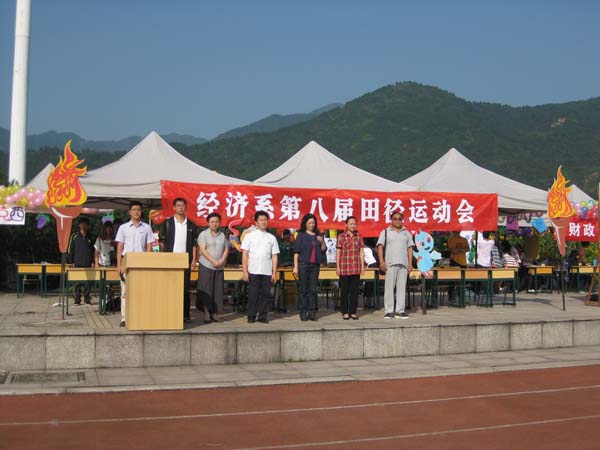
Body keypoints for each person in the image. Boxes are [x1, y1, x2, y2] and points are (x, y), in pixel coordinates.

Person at [159, 197, 198, 323]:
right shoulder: (167, 223)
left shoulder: (191, 224)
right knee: (169, 287)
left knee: (185, 288)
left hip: (185, 260)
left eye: (182, 205)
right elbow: (162, 242)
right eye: (178, 205)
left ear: (185, 207)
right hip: (170, 259)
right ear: (174, 207)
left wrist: (193, 260)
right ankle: (169, 312)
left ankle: (185, 315)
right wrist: (163, 257)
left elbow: (194, 244)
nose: (181, 207)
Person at [115, 201, 154, 327]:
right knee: (125, 291)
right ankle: (124, 318)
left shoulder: (146, 228)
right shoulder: (123, 228)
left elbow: (149, 246)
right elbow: (120, 247)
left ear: (141, 212)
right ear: (130, 212)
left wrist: (147, 261)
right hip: (126, 262)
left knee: (141, 291)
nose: (136, 212)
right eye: (134, 210)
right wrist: (118, 265)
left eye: (138, 210)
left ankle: (140, 315)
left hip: (141, 263)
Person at [241, 211, 280, 323]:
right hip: (253, 270)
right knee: (253, 294)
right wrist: (245, 271)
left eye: (265, 220)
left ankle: (263, 316)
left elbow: (274, 255)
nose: (263, 222)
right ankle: (251, 315)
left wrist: (274, 272)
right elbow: (245, 254)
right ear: (256, 222)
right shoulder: (250, 236)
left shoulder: (271, 238)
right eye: (261, 220)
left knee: (265, 295)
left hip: (267, 271)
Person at [376, 211, 414, 319]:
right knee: (389, 289)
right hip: (390, 264)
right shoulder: (385, 232)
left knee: (401, 289)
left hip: (403, 264)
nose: (397, 221)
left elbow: (410, 248)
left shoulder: (406, 232)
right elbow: (380, 247)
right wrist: (381, 262)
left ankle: (400, 311)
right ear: (391, 220)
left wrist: (410, 263)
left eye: (399, 219)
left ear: (402, 220)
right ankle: (388, 311)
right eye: (395, 219)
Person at [197, 212, 229, 323]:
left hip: (219, 267)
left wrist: (221, 261)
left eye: (216, 222)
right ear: (208, 223)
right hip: (206, 265)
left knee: (217, 290)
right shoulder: (203, 234)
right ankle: (206, 313)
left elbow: (226, 249)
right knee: (206, 289)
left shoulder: (223, 235)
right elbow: (203, 249)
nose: (214, 224)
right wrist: (213, 261)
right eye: (212, 222)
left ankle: (215, 313)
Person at [293, 213, 326, 321]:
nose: (312, 225)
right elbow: (296, 252)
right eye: (310, 223)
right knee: (303, 290)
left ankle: (312, 312)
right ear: (305, 224)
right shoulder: (301, 235)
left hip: (315, 266)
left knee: (313, 289)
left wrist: (322, 241)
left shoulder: (318, 235)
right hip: (303, 265)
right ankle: (303, 312)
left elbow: (323, 249)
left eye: (313, 223)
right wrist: (295, 267)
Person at [336, 216, 364, 320]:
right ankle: (345, 312)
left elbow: (361, 252)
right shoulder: (341, 236)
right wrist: (337, 266)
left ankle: (353, 311)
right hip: (344, 267)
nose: (353, 226)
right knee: (344, 291)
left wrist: (362, 266)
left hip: (356, 267)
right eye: (351, 224)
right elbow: (338, 252)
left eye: (354, 224)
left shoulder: (359, 236)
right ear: (346, 225)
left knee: (354, 291)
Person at [67, 217, 95, 305]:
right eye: (82, 224)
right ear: (79, 225)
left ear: (88, 226)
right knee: (77, 282)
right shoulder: (74, 236)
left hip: (88, 263)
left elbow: (94, 250)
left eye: (85, 224)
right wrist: (71, 262)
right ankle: (77, 299)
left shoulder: (90, 236)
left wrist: (93, 261)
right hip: (77, 262)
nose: (84, 225)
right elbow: (70, 249)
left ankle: (87, 299)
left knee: (88, 283)